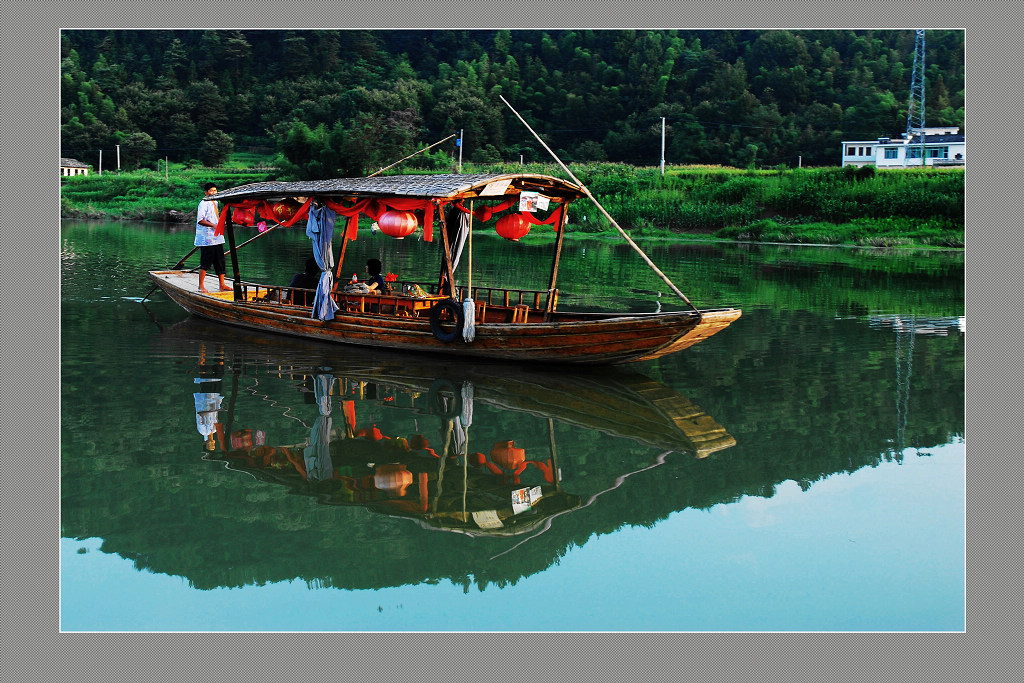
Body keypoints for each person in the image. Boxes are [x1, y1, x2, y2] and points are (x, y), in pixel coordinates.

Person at [195, 182, 230, 293]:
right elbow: (200, 220)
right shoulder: (203, 203)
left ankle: (222, 285)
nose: (214, 192)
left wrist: (218, 224)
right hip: (207, 238)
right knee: (206, 261)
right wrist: (214, 225)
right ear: (206, 192)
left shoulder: (215, 202)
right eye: (211, 191)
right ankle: (201, 286)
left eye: (215, 190)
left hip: (217, 237)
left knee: (220, 260)